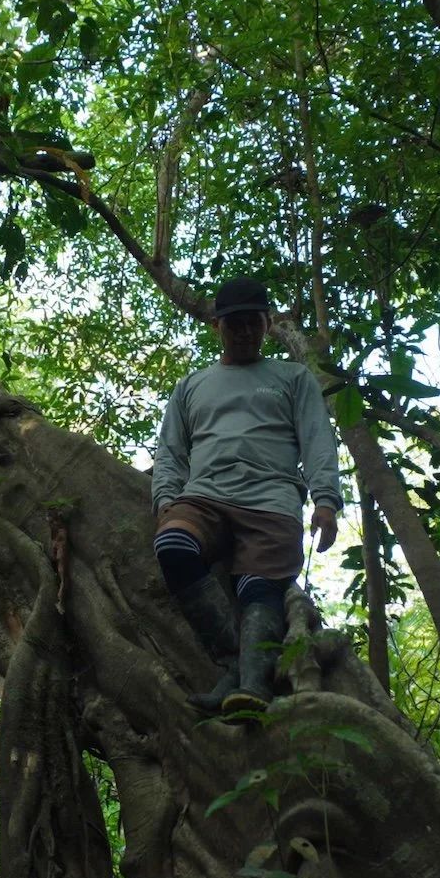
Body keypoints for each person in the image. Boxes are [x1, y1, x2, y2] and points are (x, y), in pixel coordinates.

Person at [151, 277, 342, 716]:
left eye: (252, 322)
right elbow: (171, 451)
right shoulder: (191, 386)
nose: (243, 332)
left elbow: (317, 439)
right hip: (205, 496)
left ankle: (252, 687)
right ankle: (235, 664)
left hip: (271, 499)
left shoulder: (292, 378)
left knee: (259, 587)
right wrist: (165, 499)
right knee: (172, 543)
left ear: (268, 323)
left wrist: (326, 500)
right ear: (217, 326)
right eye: (234, 323)